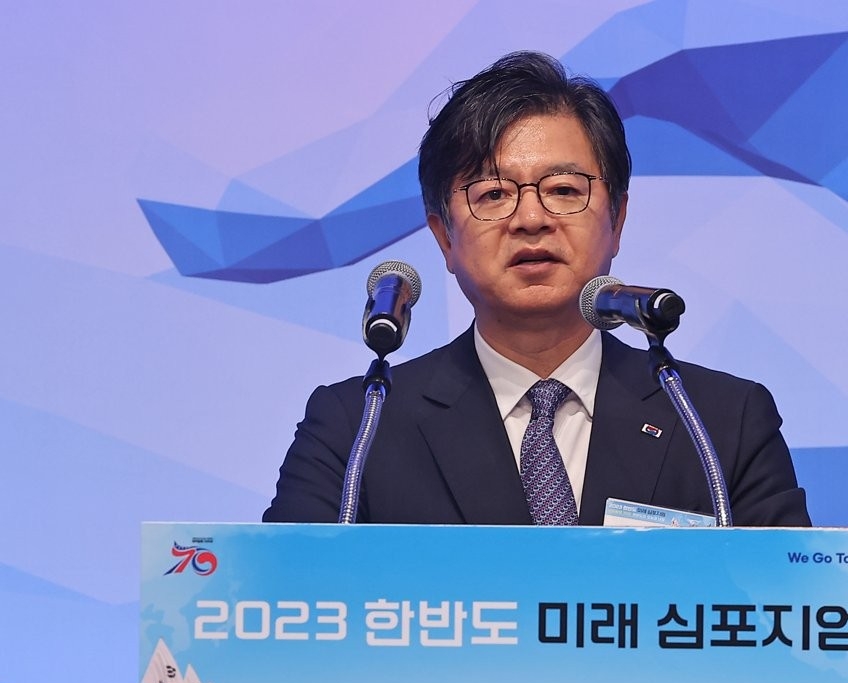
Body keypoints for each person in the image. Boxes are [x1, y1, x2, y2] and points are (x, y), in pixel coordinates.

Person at [263, 51, 809, 527]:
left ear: (617, 219)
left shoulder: (719, 421)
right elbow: (279, 595)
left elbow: (793, 602)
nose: (530, 218)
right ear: (444, 237)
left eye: (564, 189)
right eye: (493, 194)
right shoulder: (358, 427)